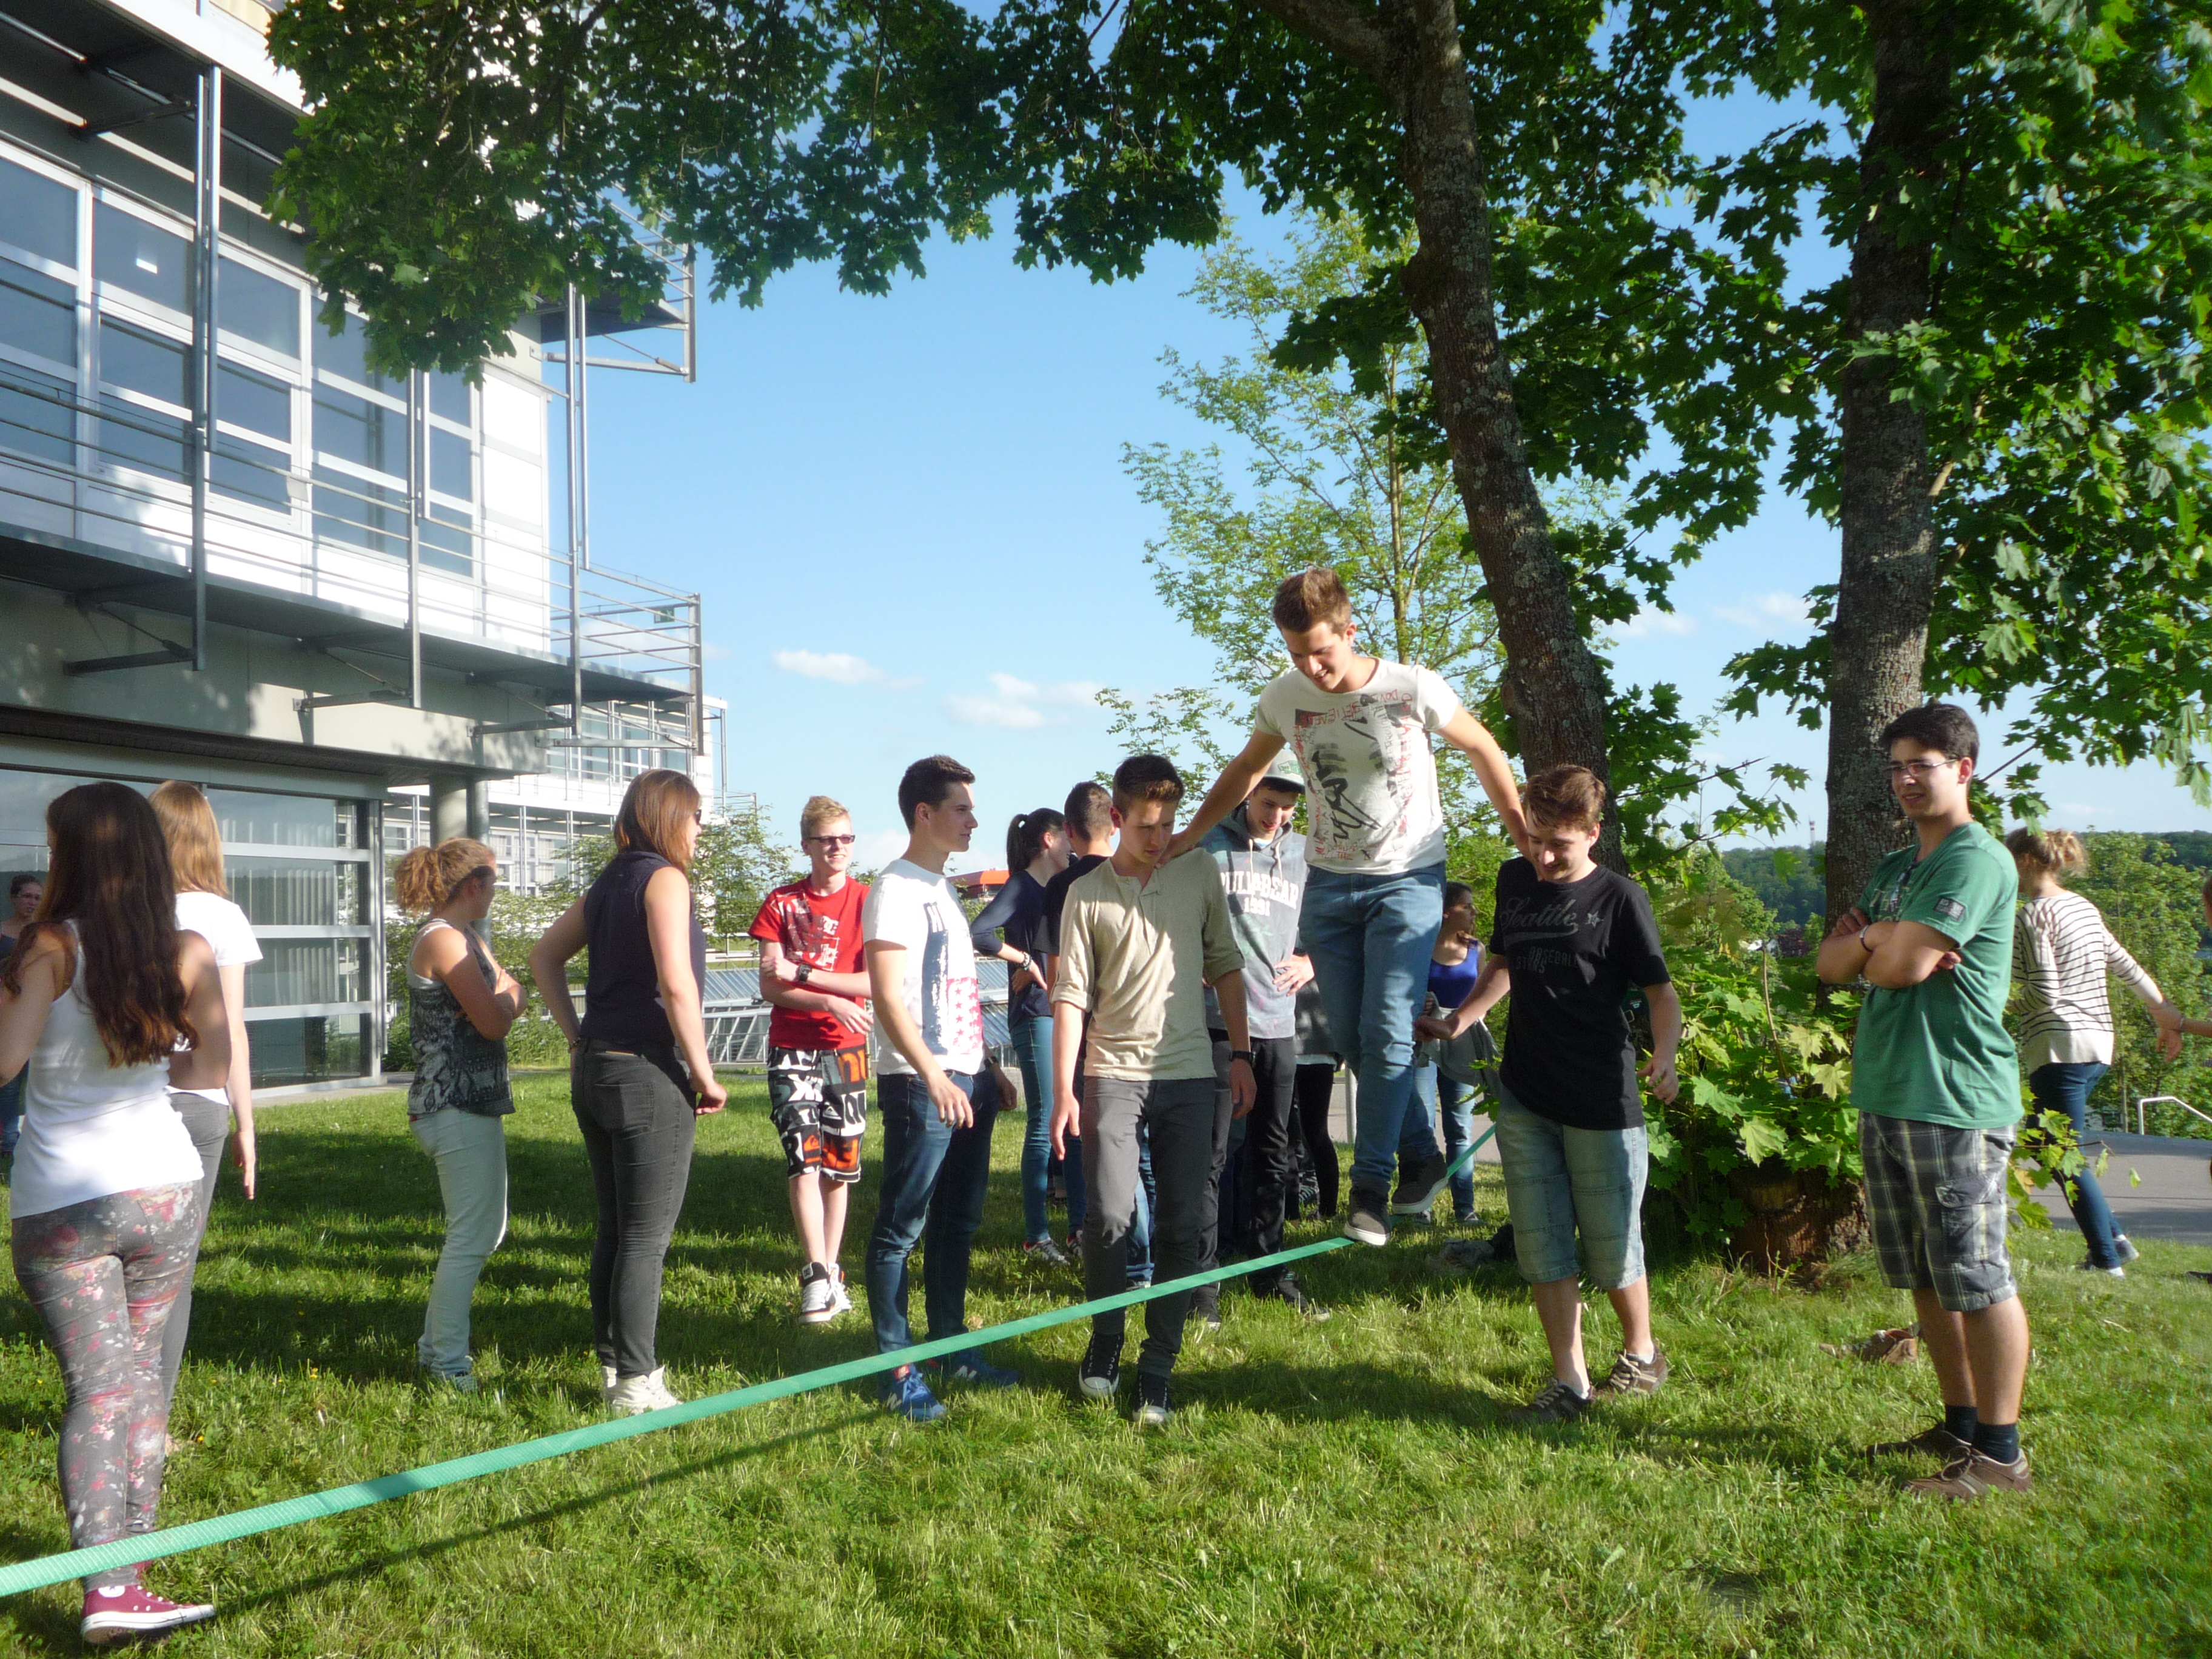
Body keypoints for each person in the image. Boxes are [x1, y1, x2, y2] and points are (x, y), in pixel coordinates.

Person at [1166, 566, 1527, 1248]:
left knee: (1388, 1027)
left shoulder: (1411, 687)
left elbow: (1482, 747)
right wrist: (1189, 834)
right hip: (1329, 884)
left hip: (1407, 877)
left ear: (1351, 630)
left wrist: (1518, 829)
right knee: (1356, 1040)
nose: (1311, 667)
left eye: (1321, 652)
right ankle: (1421, 1154)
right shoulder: (1285, 697)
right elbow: (1246, 769)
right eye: (1297, 654)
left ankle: (1371, 1188)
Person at [1, 782, 225, 1643]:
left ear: (74, 856)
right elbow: (210, 1067)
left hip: (62, 1204)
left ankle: (109, 1587)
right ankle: (129, 1579)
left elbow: (4, 1061)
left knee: (98, 1392)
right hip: (163, 1187)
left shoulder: (49, 946)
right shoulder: (189, 948)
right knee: (141, 1390)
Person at [1418, 766, 1679, 1424]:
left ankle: (1642, 1352)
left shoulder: (1621, 898)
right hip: (1526, 1093)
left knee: (1613, 1245)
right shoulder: (1514, 881)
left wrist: (1666, 1057)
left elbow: (1660, 992)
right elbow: (1502, 968)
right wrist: (1460, 1020)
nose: (1544, 855)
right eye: (1535, 839)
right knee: (1541, 1244)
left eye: (1559, 843)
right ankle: (1570, 1382)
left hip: (1600, 1096)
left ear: (1593, 833)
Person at [1817, 703, 2031, 1501]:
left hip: (1956, 1096)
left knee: (1978, 1277)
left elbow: (1901, 968)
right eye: (1897, 766)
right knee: (1927, 1279)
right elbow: (1835, 965)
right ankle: (1959, 1423)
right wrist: (1881, 938)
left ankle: (2002, 1456)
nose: (1906, 779)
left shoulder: (1974, 861)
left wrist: (1881, 943)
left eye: (1923, 765)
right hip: (1890, 1089)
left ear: (1964, 770)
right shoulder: (1896, 869)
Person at [1051, 754, 1258, 1428]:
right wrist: (1063, 1091)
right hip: (1111, 1073)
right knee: (1109, 1216)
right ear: (1116, 818)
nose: (1159, 837)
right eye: (1145, 825)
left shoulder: (1199, 871)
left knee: (1181, 1226)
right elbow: (1071, 996)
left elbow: (1226, 963)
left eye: (1169, 823)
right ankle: (1106, 1337)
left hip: (1192, 1073)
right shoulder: (1086, 892)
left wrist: (1244, 1053)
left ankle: (1158, 1368)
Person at [530, 769, 727, 1417]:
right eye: (696, 818)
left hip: (597, 1070)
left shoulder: (612, 879)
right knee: (646, 1237)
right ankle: (639, 1383)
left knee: (615, 1229)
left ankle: (616, 1366)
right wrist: (703, 1071)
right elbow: (678, 986)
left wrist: (575, 1036)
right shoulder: (665, 880)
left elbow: (543, 957)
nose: (701, 831)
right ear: (671, 817)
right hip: (645, 1074)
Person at [863, 756, 1021, 1422]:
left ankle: (951, 1342)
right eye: (961, 808)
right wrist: (933, 1073)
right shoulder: (895, 888)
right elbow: (889, 997)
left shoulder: (942, 888)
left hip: (967, 1079)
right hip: (920, 1082)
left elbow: (952, 992)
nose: (973, 821)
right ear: (923, 813)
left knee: (959, 1220)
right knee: (903, 1226)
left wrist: (984, 1068)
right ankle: (896, 1366)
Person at [2005, 826, 2170, 1276]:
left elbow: (2045, 994)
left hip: (2059, 1046)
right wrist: (2163, 1011)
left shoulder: (2034, 915)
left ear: (2024, 861)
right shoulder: (2082, 907)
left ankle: (2105, 1258)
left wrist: (1999, 1005)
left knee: (2063, 1155)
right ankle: (2115, 1239)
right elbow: (2126, 966)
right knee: (2046, 1144)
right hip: (2098, 1044)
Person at [395, 836, 525, 1391]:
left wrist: (506, 999)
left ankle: (436, 1350)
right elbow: (497, 1017)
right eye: (494, 879)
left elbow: (512, 994)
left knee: (481, 1230)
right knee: (472, 1235)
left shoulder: (463, 937)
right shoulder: (445, 941)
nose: (497, 890)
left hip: (469, 1104)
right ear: (475, 884)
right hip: (452, 1106)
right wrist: (506, 1000)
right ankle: (446, 1364)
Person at [146, 782, 260, 1412]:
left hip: (127, 1097)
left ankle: (114, 1401)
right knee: (174, 1270)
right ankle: (152, 1420)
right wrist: (247, 1124)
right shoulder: (220, 916)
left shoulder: (122, 909)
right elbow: (232, 1029)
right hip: (198, 1105)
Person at [1198, 757, 1325, 1318]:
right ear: (1248, 796)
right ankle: (1204, 1279)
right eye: (1268, 803)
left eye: (1288, 808)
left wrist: (1312, 961)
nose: (1277, 817)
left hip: (1279, 1021)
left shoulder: (1303, 853)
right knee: (1214, 1154)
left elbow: (1332, 920)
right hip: (1219, 1021)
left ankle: (1267, 1264)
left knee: (1275, 1153)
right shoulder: (1210, 846)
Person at [751, 796, 874, 1324]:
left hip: (846, 1051)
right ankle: (816, 1276)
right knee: (804, 1157)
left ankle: (833, 1270)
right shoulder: (781, 903)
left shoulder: (870, 902)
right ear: (806, 845)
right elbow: (769, 983)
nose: (838, 849)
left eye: (846, 838)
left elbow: (876, 982)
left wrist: (807, 976)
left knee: (840, 1168)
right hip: (792, 1046)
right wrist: (827, 998)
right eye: (827, 840)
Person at [971, 805, 1078, 1266]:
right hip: (1035, 1013)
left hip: (1062, 1011)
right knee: (1045, 1118)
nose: (1073, 845)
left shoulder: (1061, 887)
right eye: (1067, 837)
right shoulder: (1020, 885)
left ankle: (1078, 1231)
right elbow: (978, 931)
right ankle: (1036, 1236)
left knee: (1071, 1119)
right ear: (1049, 841)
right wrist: (1025, 961)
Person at [1042, 779, 1120, 1270]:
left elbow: (1056, 975)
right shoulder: (1136, 873)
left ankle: (1080, 1232)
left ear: (1069, 831)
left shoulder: (1061, 886)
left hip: (1080, 1026)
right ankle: (1136, 1249)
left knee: (1078, 1136)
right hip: (1131, 1029)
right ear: (1116, 822)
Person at [1398, 881, 1484, 1225]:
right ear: (1446, 910)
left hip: (1462, 1042)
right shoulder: (1418, 947)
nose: (1474, 912)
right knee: (1423, 1125)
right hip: (1423, 1041)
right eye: (1468, 906)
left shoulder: (1477, 950)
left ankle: (1466, 1208)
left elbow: (1483, 997)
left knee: (1460, 1128)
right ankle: (1422, 1206)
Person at [0, 870, 45, 1166]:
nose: (31, 902)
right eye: (27, 896)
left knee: (37, 1080)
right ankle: (7, 1142)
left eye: (37, 898)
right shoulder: (2, 931)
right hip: (6, 1014)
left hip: (40, 1017)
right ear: (14, 898)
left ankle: (33, 1140)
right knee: (9, 1082)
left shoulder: (45, 935)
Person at [1289, 981, 1341, 1221]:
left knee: (1291, 1136)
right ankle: (1325, 1211)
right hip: (1320, 1048)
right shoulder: (1326, 951)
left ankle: (1295, 1213)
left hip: (1292, 1047)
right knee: (1315, 1134)